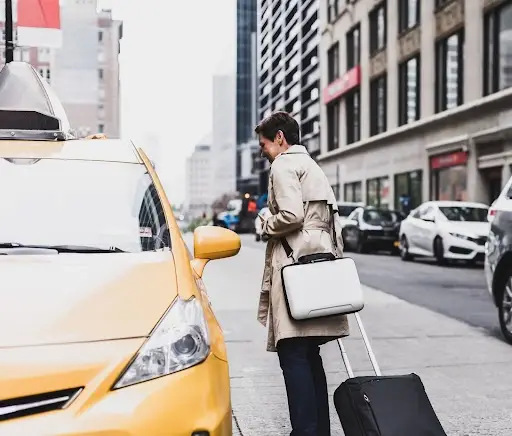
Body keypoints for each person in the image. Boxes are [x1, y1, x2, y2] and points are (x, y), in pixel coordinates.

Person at [255, 111, 349, 436]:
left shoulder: (283, 164)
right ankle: (318, 430)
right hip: (319, 263)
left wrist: (266, 222)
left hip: (294, 266)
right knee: (309, 351)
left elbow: (292, 215)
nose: (264, 151)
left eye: (264, 144)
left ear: (279, 138)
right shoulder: (312, 166)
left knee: (293, 351)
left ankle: (305, 432)